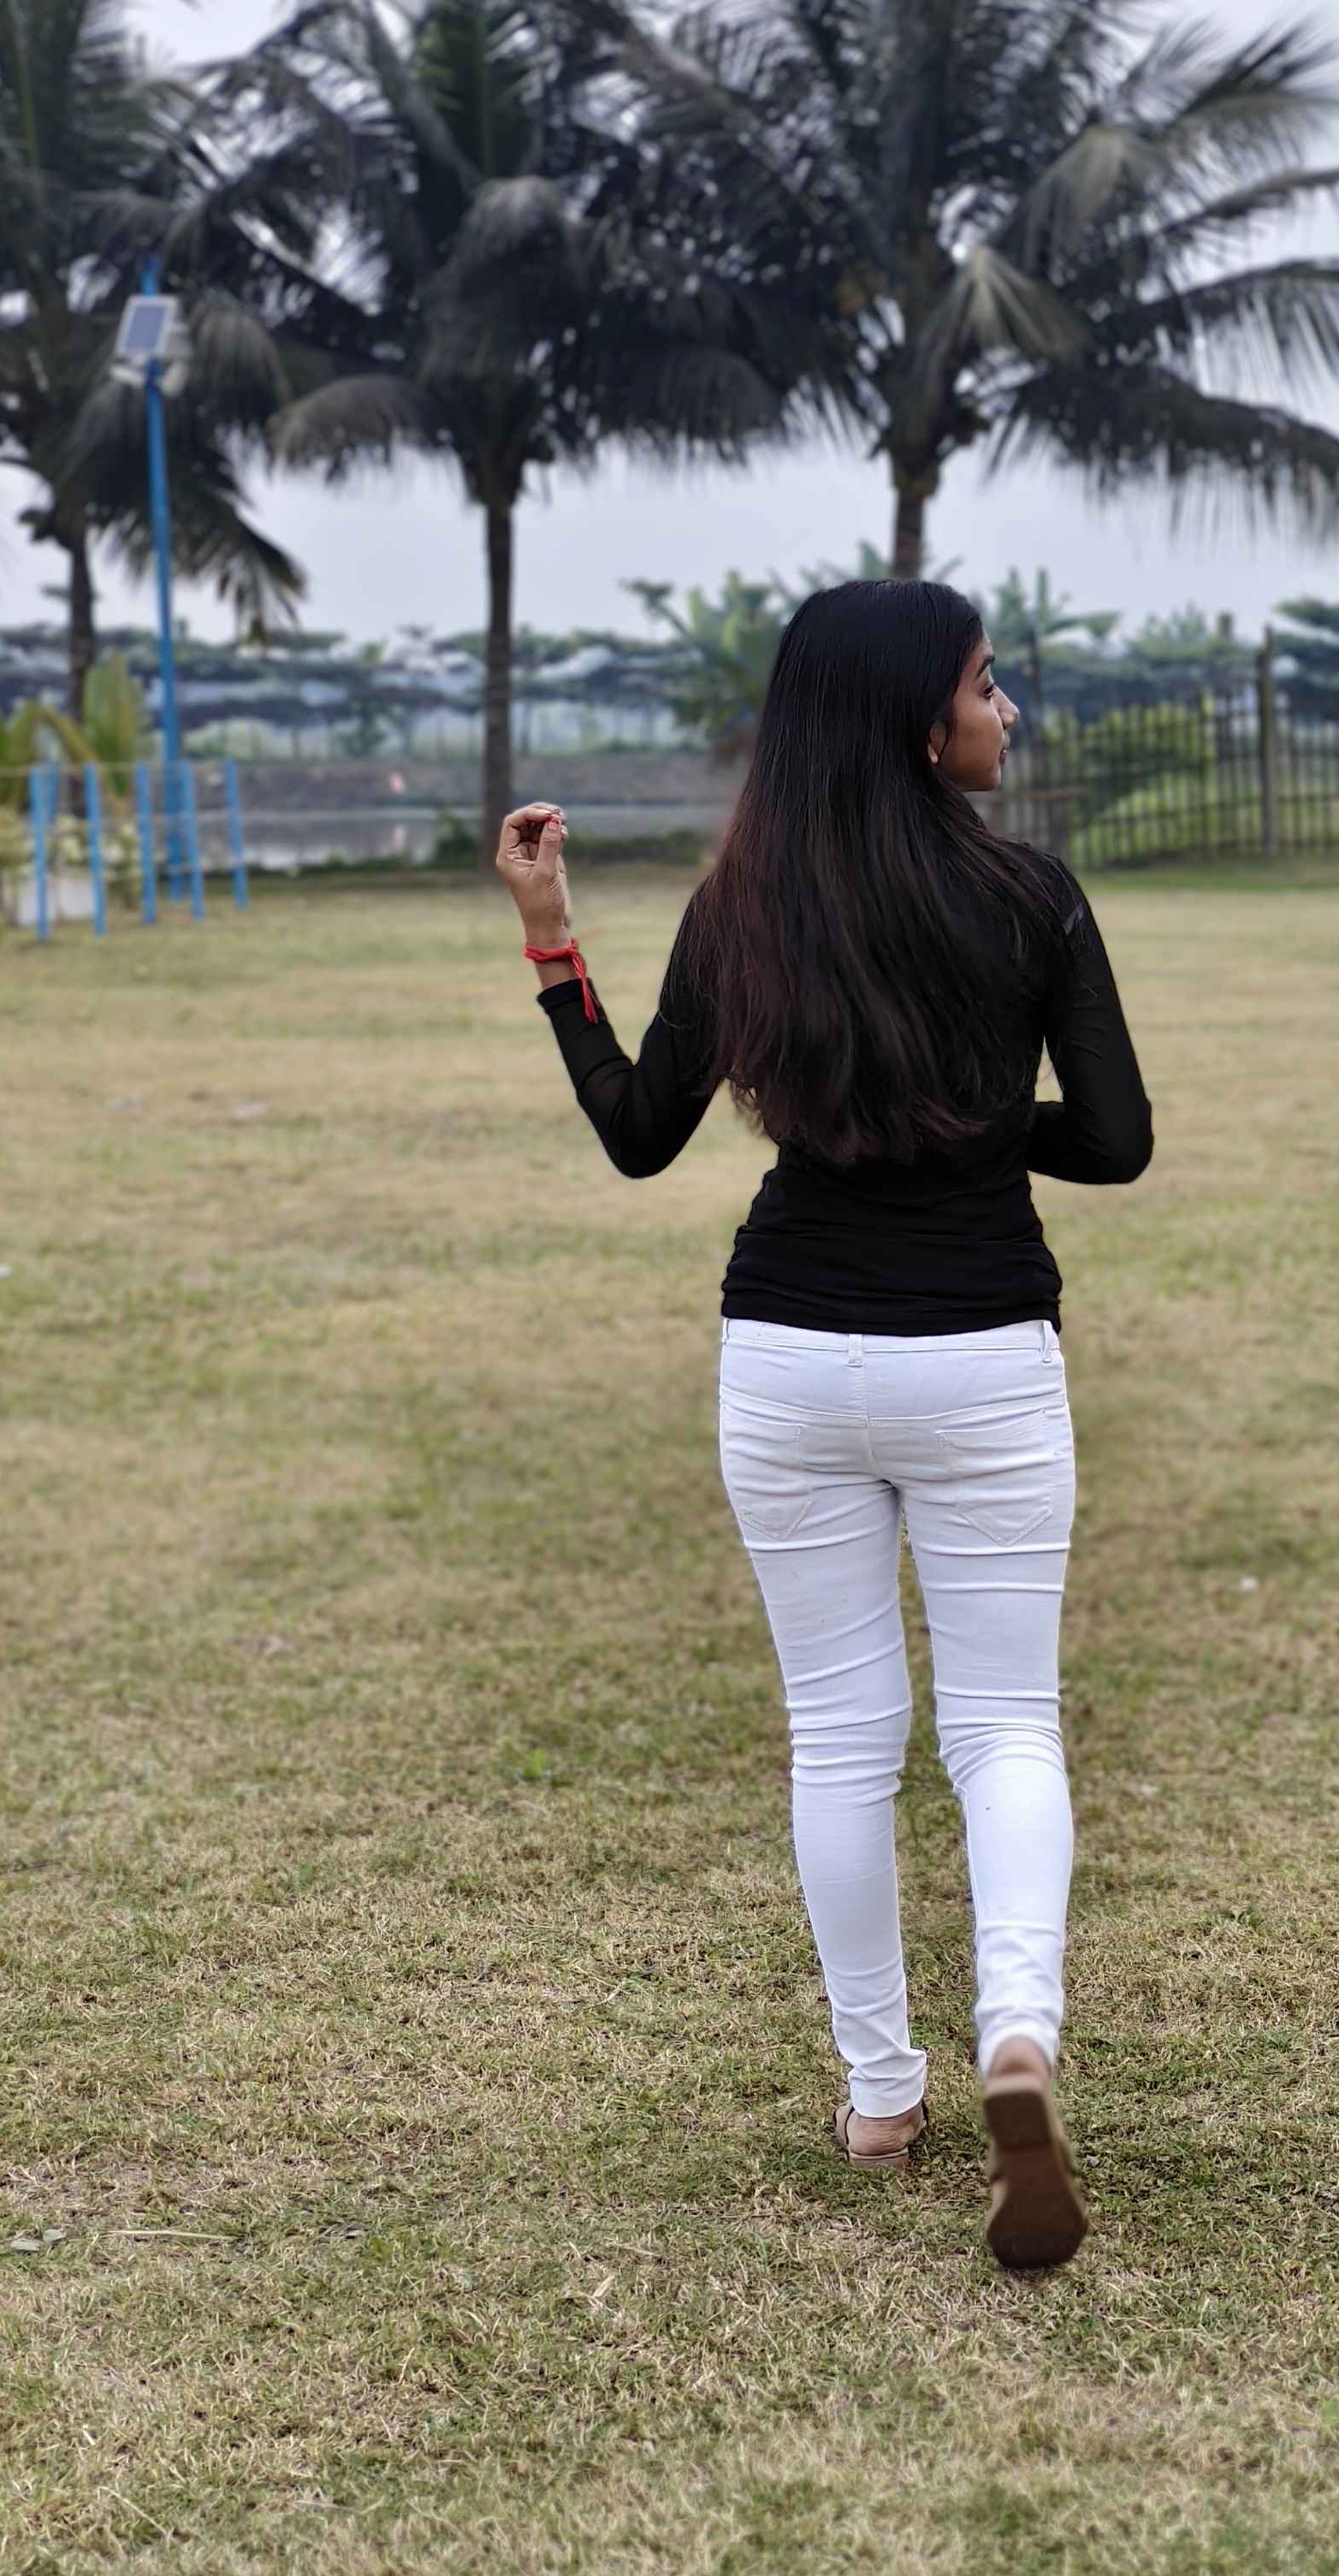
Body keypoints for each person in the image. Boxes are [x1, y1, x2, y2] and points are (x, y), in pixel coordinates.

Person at [493, 580, 1151, 2271]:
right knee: (1004, 1727)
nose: (1006, 711)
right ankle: (1019, 2036)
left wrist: (554, 941)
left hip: (785, 1356)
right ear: (917, 725)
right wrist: (976, 1125)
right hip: (980, 1352)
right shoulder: (1029, 898)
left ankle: (879, 2096)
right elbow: (1117, 1139)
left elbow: (640, 1132)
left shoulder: (741, 910)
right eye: (986, 686)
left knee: (842, 1738)